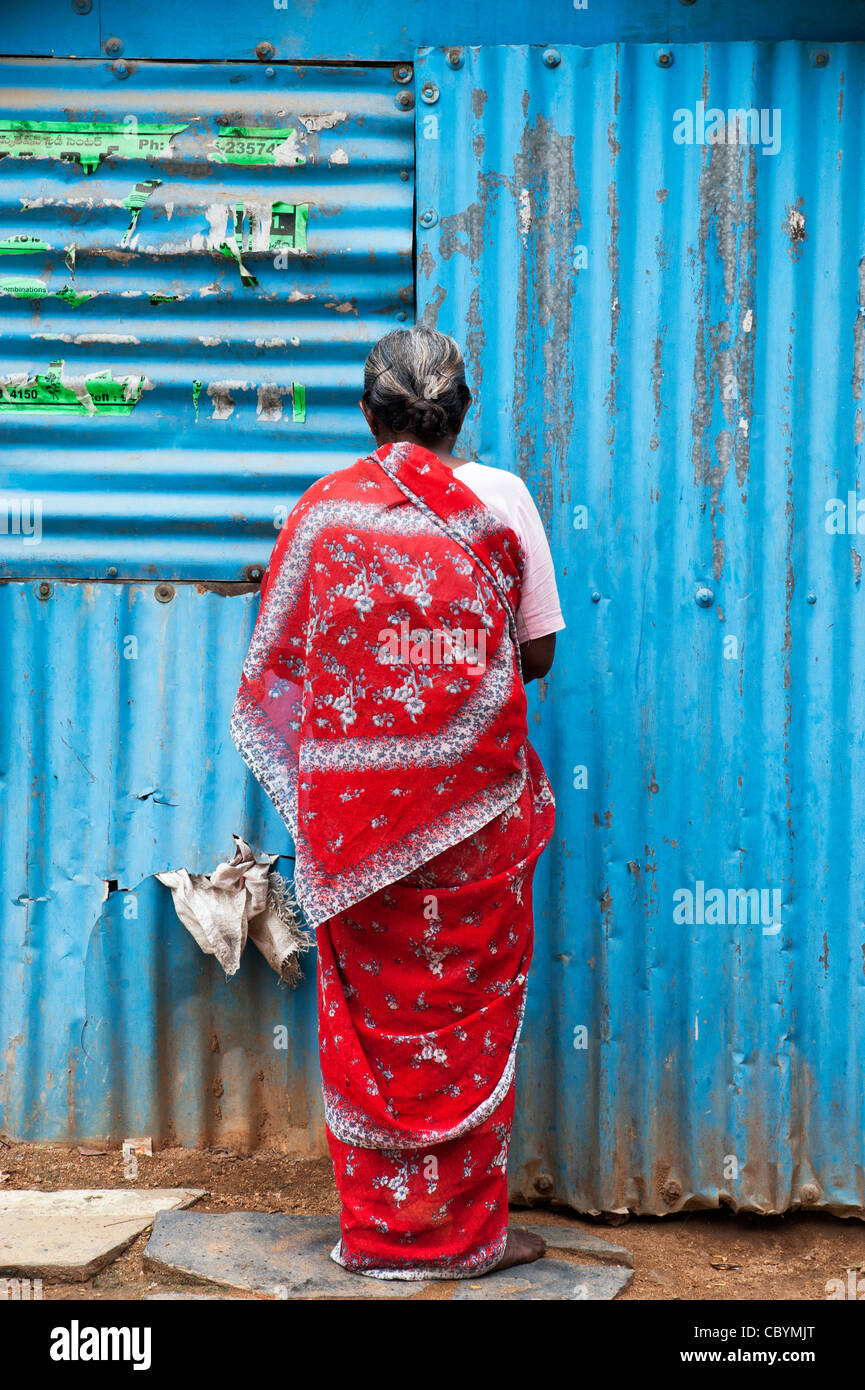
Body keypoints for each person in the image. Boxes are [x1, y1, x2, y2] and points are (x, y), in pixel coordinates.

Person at [231, 325, 565, 1279]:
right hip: (474, 822)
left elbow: (287, 662)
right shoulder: (497, 500)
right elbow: (538, 655)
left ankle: (376, 1237)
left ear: (367, 412)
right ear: (462, 414)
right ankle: (467, 1240)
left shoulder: (324, 514)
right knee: (464, 1015)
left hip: (355, 827)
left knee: (369, 1021)